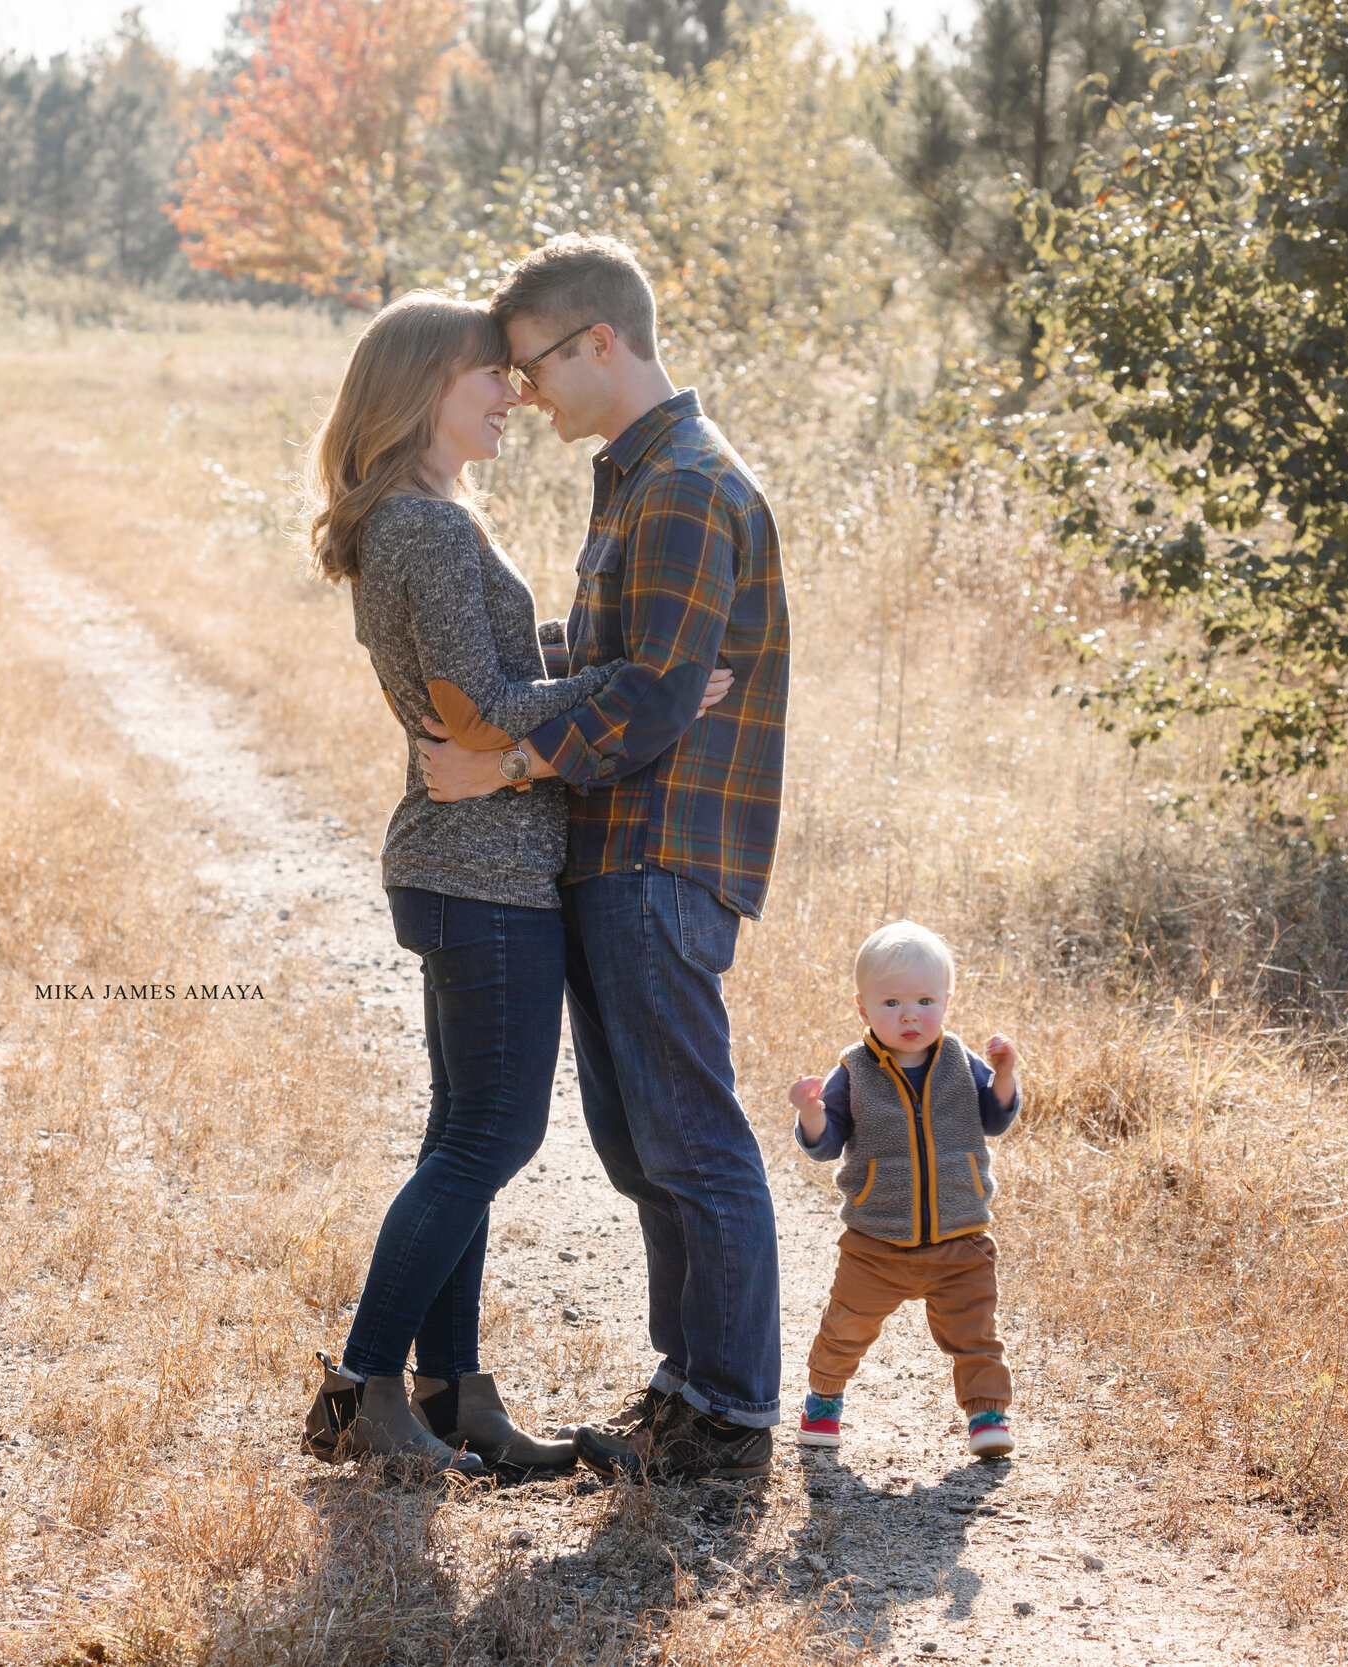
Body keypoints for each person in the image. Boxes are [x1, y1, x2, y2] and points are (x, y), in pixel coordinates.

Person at [297, 290, 737, 1480]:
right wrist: (643, 688)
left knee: (466, 1130)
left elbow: (484, 682)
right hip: (478, 873)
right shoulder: (426, 529)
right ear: (423, 389)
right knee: (494, 1132)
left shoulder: (427, 513)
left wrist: (598, 675)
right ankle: (360, 1385)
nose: (512, 392)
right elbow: (481, 712)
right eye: (489, 375)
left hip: (479, 867)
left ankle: (453, 1391)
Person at [418, 234, 790, 1481]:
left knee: (689, 1139)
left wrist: (507, 763)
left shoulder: (682, 482)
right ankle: (685, 1390)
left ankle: (728, 1416)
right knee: (641, 1146)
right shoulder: (634, 480)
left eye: (529, 366)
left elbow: (646, 692)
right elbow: (623, 669)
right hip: (614, 848)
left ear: (601, 345)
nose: (519, 393)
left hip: (659, 853)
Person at [787, 921, 1023, 1458]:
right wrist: (811, 1113)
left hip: (960, 1235)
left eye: (924, 1000)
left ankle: (987, 1414)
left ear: (947, 1001)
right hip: (876, 1240)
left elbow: (994, 1118)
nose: (910, 1014)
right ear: (863, 1008)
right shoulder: (854, 1070)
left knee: (976, 1330)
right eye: (891, 1002)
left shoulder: (962, 1061)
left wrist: (1005, 1075)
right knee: (846, 1326)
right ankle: (823, 1401)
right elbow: (826, 1145)